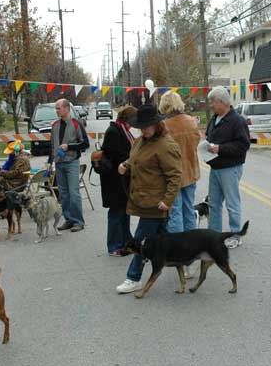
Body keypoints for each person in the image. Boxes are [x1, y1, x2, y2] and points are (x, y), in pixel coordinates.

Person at [115, 105, 181, 294]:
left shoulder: (166, 145)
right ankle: (186, 262)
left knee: (140, 240)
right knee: (166, 238)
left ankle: (133, 278)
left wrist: (167, 201)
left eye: (147, 126)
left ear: (156, 124)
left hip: (155, 202)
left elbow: (175, 176)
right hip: (142, 198)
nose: (143, 129)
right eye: (140, 126)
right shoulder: (141, 141)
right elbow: (136, 158)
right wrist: (126, 165)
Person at [205, 86, 250, 249]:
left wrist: (220, 148)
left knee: (232, 203)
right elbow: (209, 136)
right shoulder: (214, 118)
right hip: (215, 167)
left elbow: (243, 145)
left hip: (230, 167)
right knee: (213, 203)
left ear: (222, 102)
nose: (211, 105)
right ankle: (214, 236)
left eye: (213, 102)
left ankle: (235, 235)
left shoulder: (237, 121)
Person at [97, 105, 136, 257]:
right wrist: (132, 159)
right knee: (116, 212)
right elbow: (117, 155)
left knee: (125, 211)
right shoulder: (114, 132)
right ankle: (114, 245)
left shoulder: (123, 131)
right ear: (126, 119)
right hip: (113, 179)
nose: (133, 125)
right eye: (132, 121)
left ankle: (126, 240)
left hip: (122, 179)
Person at [161, 91, 201, 234]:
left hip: (172, 174)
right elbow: (196, 143)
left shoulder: (164, 126)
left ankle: (177, 246)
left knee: (175, 211)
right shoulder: (192, 121)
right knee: (189, 208)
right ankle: (192, 244)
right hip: (191, 171)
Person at [49, 98, 89, 233]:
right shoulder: (54, 125)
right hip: (58, 163)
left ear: (66, 108)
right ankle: (69, 219)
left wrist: (69, 146)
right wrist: (50, 163)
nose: (56, 110)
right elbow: (52, 146)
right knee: (64, 194)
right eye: (56, 108)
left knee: (74, 192)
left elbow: (85, 144)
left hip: (72, 162)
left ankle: (78, 221)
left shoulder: (76, 124)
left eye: (58, 108)